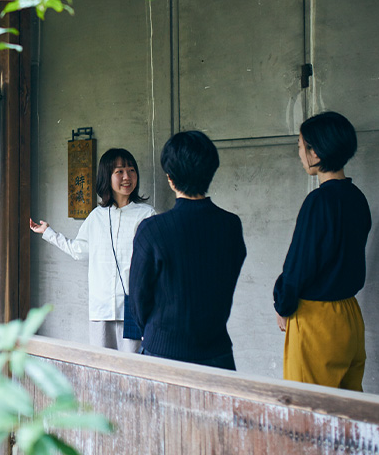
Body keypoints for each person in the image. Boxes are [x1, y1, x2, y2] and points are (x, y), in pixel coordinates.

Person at [129, 131, 246, 370]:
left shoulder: (152, 230)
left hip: (162, 353)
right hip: (217, 353)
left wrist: (153, 332)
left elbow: (138, 300)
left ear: (170, 178)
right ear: (211, 172)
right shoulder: (230, 225)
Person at [273, 111, 371, 391]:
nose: (300, 154)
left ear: (315, 153)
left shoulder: (318, 201)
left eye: (301, 146)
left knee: (308, 416)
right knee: (349, 410)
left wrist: (283, 304)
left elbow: (299, 264)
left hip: (317, 319)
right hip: (350, 314)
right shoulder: (357, 197)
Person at [30, 148, 156, 353]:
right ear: (107, 176)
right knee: (102, 366)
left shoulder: (146, 214)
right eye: (120, 171)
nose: (127, 177)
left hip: (133, 308)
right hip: (102, 307)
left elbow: (153, 260)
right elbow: (79, 250)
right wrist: (49, 233)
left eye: (132, 170)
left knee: (134, 368)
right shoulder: (96, 216)